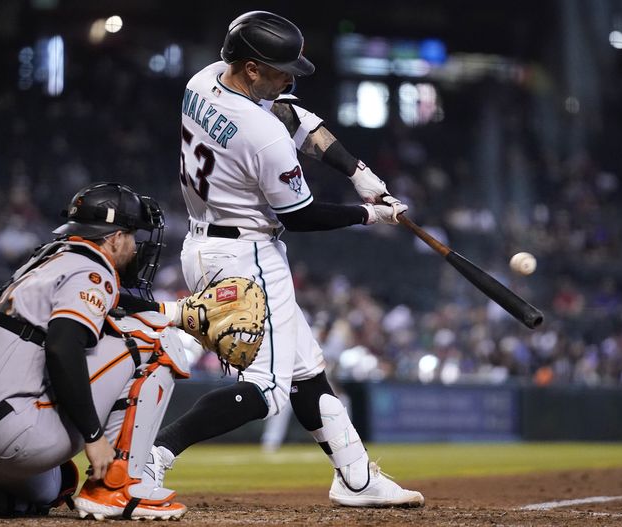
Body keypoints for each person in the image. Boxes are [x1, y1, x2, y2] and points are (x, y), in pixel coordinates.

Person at [149, 11, 424, 508]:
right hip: (247, 254)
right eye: (279, 69)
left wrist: (356, 169)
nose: (290, 77)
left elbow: (295, 116)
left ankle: (356, 477)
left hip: (206, 243)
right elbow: (300, 215)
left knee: (306, 371)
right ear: (251, 68)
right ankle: (153, 458)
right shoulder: (261, 133)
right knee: (267, 390)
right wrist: (370, 214)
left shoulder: (203, 79)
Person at [0, 182, 190, 520]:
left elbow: (114, 306)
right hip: (14, 434)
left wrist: (177, 311)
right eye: (133, 235)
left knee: (55, 486)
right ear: (115, 237)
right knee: (159, 340)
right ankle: (116, 486)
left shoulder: (48, 261)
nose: (136, 246)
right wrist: (93, 436)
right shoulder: (92, 269)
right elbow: (63, 347)